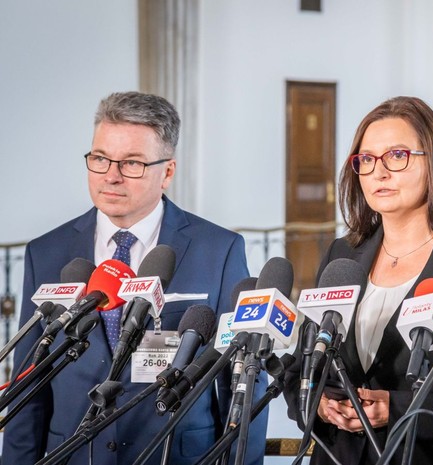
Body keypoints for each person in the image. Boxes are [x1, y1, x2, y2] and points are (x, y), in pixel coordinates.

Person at [2, 92, 268, 465]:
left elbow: (242, 380)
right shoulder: (46, 253)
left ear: (168, 172)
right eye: (100, 158)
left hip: (175, 455)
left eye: (132, 163)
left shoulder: (218, 250)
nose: (111, 176)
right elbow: (29, 383)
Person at [284, 96, 433, 464]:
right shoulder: (341, 256)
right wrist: (319, 406)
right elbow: (303, 367)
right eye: (366, 159)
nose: (379, 172)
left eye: (397, 155)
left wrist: (398, 409)